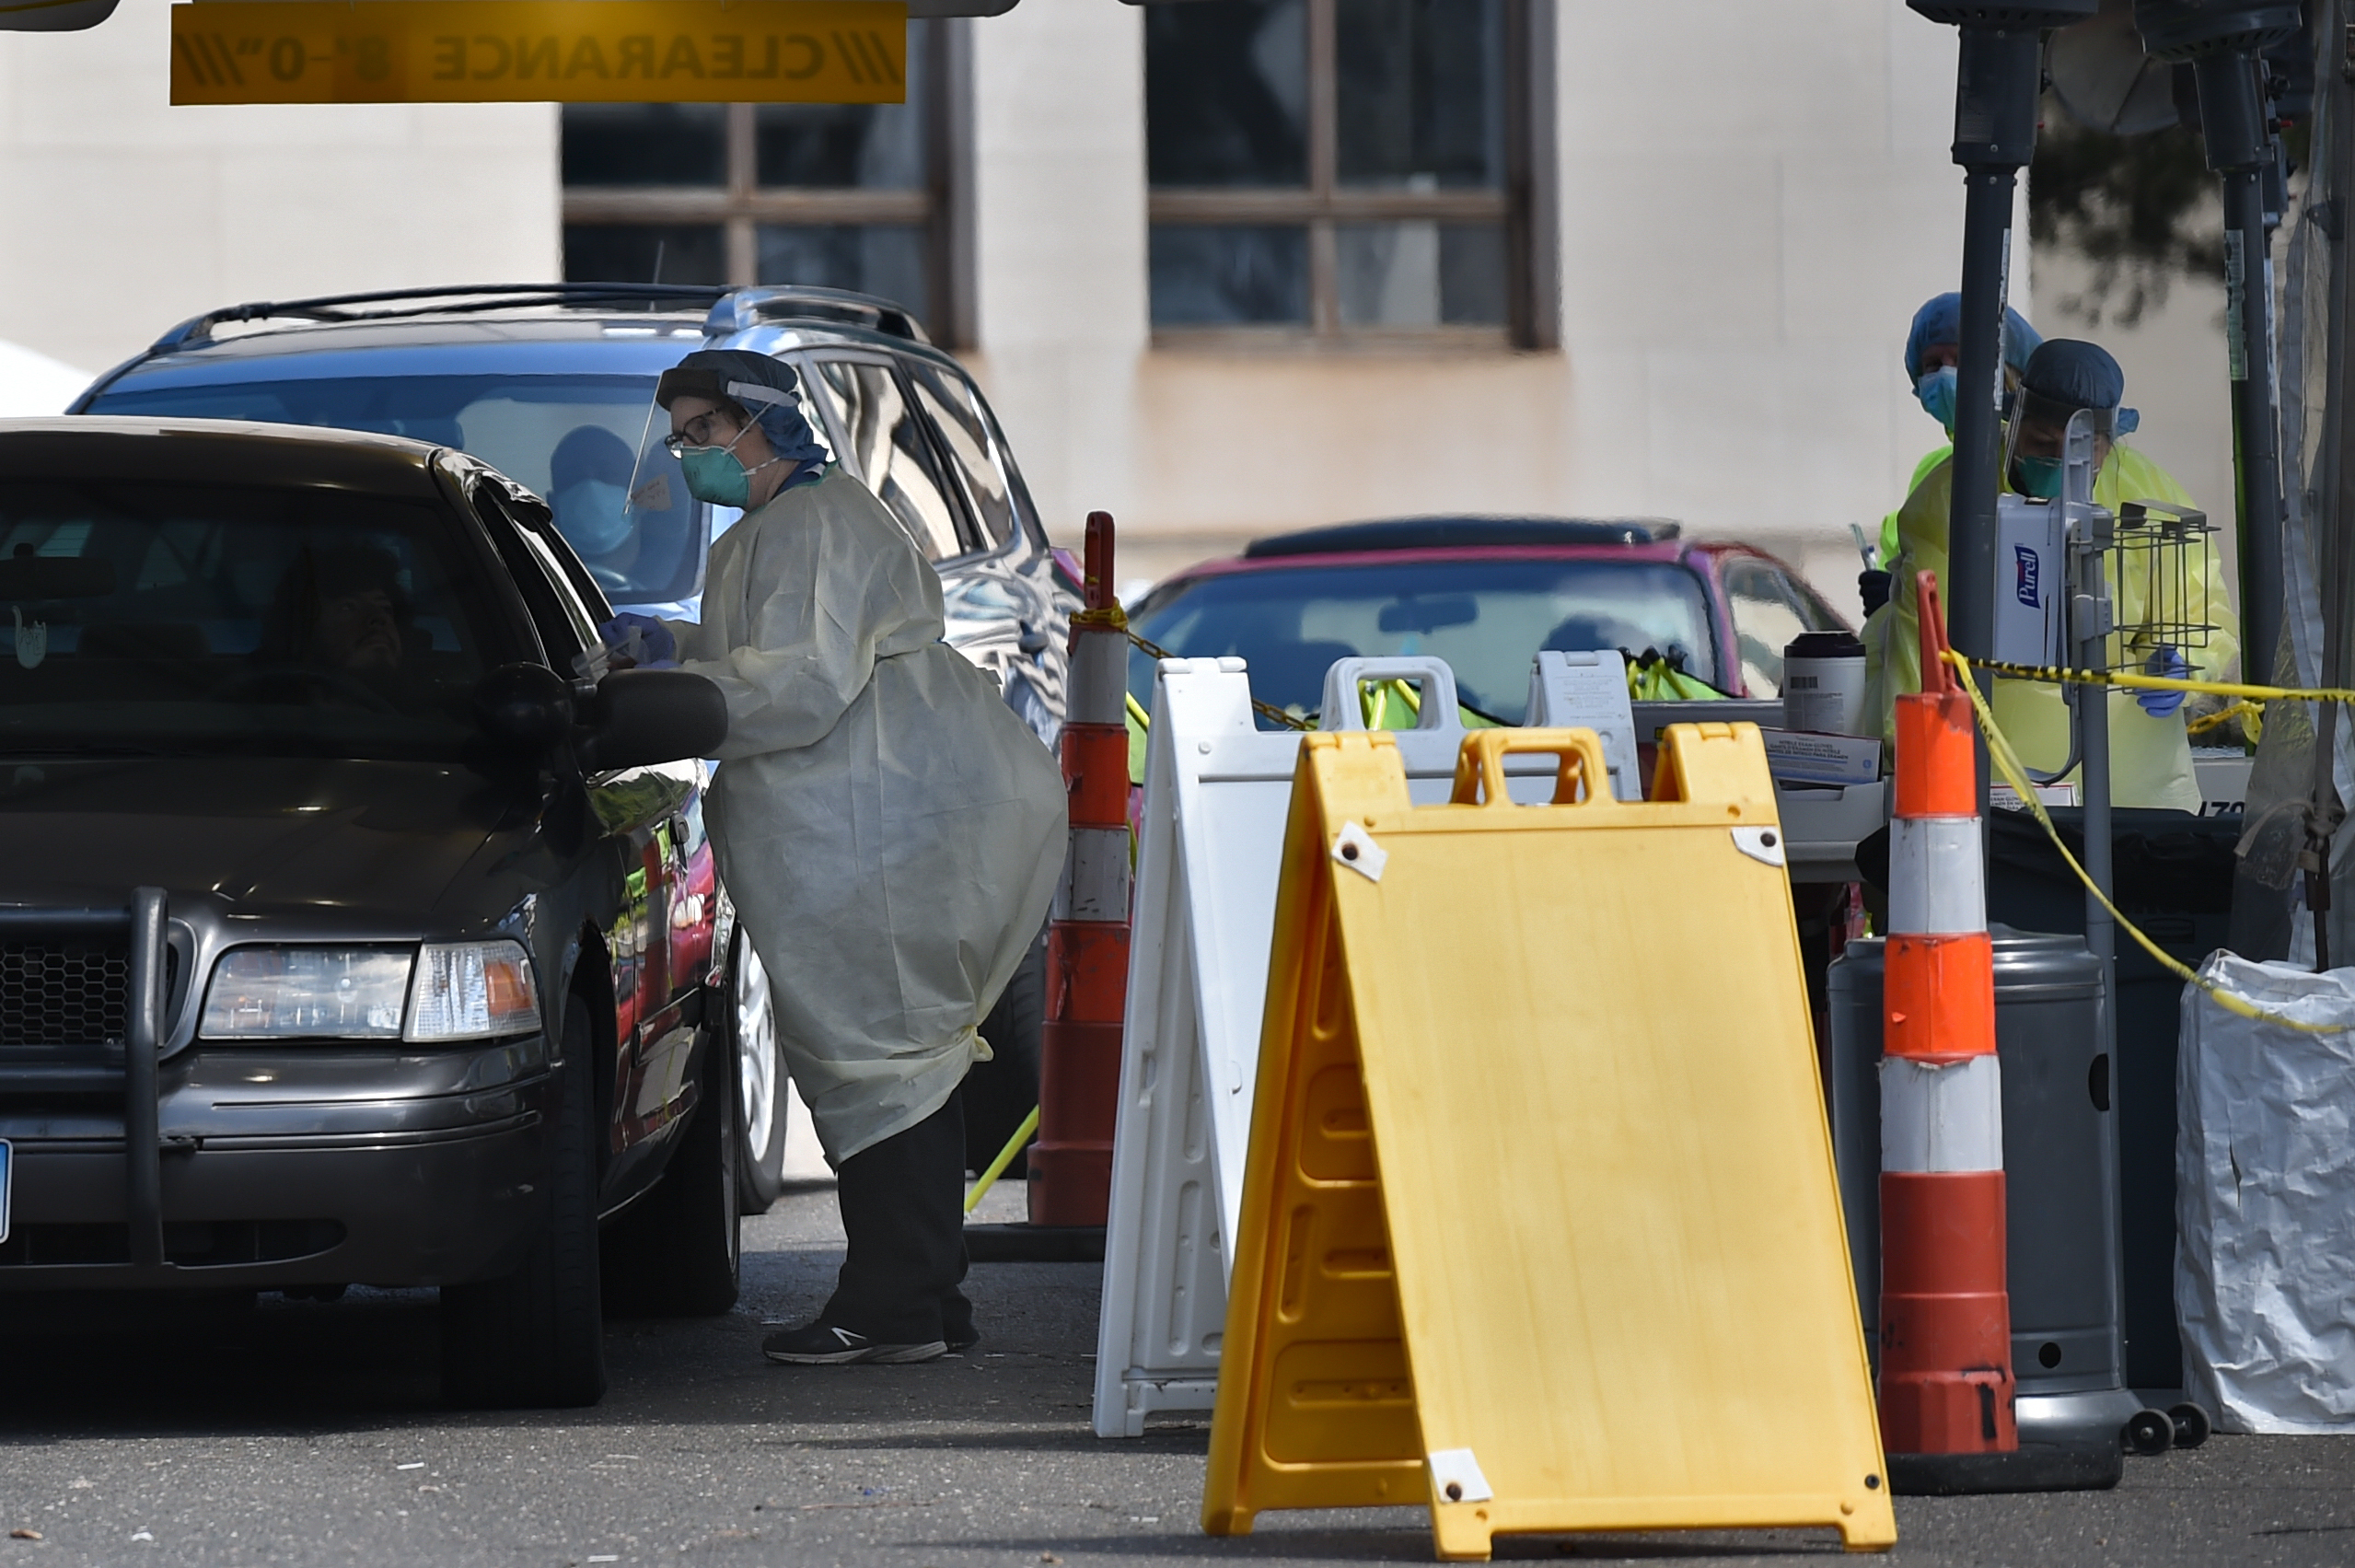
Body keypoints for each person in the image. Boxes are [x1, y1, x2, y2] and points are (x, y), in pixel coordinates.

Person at [603, 349, 1066, 1365]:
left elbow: (802, 684)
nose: (687, 456)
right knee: (906, 1058)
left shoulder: (812, 522)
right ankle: (927, 1297)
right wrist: (681, 651)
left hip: (881, 822)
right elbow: (776, 657)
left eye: (702, 433)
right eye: (680, 436)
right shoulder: (781, 528)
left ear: (760, 425)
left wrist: (672, 686)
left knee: (879, 1061)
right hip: (877, 815)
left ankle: (889, 1306)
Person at [1861, 338, 2238, 813]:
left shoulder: (2152, 497)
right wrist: (1912, 753)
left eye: (2083, 448)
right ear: (2014, 424)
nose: (2060, 461)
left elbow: (2202, 610)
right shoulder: (1955, 499)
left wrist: (2183, 664)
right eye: (2042, 444)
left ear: (2110, 441)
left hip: (2134, 784)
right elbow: (1922, 639)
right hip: (1994, 778)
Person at [1862, 295, 2043, 614]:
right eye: (1933, 364)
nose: (1946, 377)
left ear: (2010, 370)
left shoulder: (2039, 463)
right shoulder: (1934, 470)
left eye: (1961, 360)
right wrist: (1893, 593)